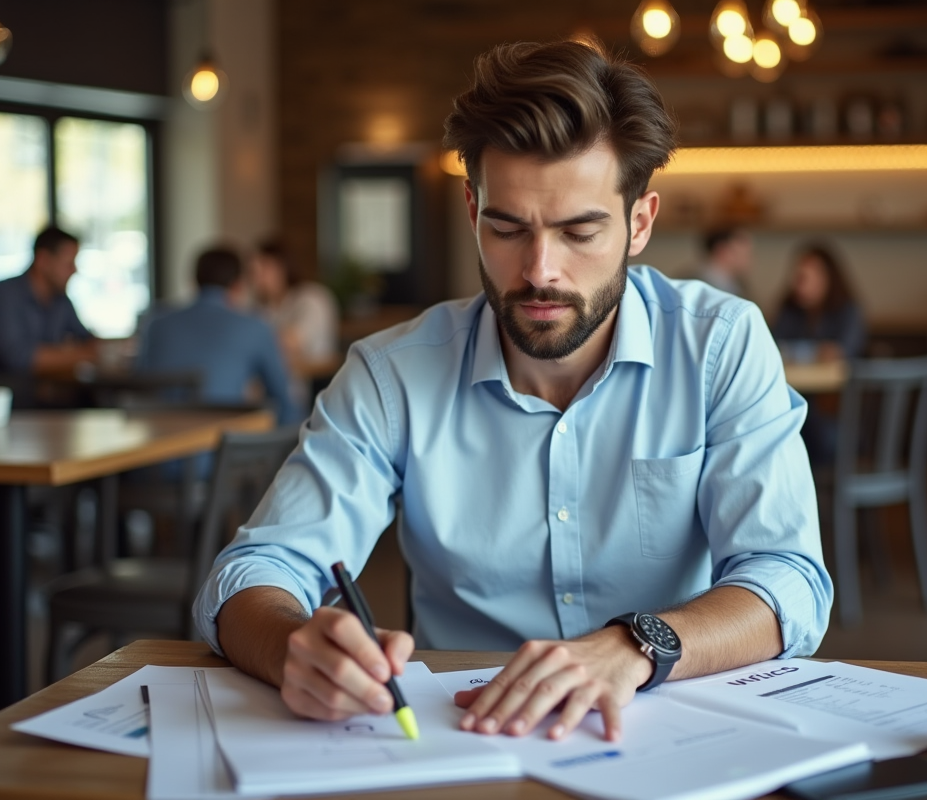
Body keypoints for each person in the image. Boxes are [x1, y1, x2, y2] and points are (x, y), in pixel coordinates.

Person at [195, 40, 828, 744]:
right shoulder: (390, 374)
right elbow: (253, 572)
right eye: (507, 228)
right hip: (456, 737)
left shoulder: (720, 345)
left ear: (639, 223)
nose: (539, 270)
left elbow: (787, 579)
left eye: (579, 231)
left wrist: (635, 646)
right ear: (473, 210)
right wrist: (293, 649)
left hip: (668, 733)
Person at [136, 247, 300, 424]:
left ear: (194, 281)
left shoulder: (155, 323)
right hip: (224, 438)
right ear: (238, 285)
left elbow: (138, 383)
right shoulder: (255, 327)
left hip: (158, 436)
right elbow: (283, 399)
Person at [772, 244, 866, 465]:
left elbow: (840, 352)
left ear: (827, 279)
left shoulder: (848, 311)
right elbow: (775, 348)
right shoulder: (789, 309)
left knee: (811, 429)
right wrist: (816, 351)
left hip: (837, 411)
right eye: (798, 277)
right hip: (792, 401)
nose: (800, 284)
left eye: (807, 277)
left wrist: (798, 351)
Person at [0, 226, 97, 375]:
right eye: (68, 263)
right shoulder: (2, 295)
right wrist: (84, 354)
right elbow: (21, 359)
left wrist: (80, 351)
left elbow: (88, 340)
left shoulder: (60, 299)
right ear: (43, 260)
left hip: (38, 387)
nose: (74, 270)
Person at [248, 239, 340, 409]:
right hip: (270, 388)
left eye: (264, 267)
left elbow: (291, 342)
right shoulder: (260, 307)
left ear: (283, 267)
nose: (256, 276)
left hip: (309, 390)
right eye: (253, 270)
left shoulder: (311, 297)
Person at [696, 226, 753, 297]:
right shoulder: (694, 285)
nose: (749, 259)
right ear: (722, 251)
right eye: (743, 254)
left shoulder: (740, 284)